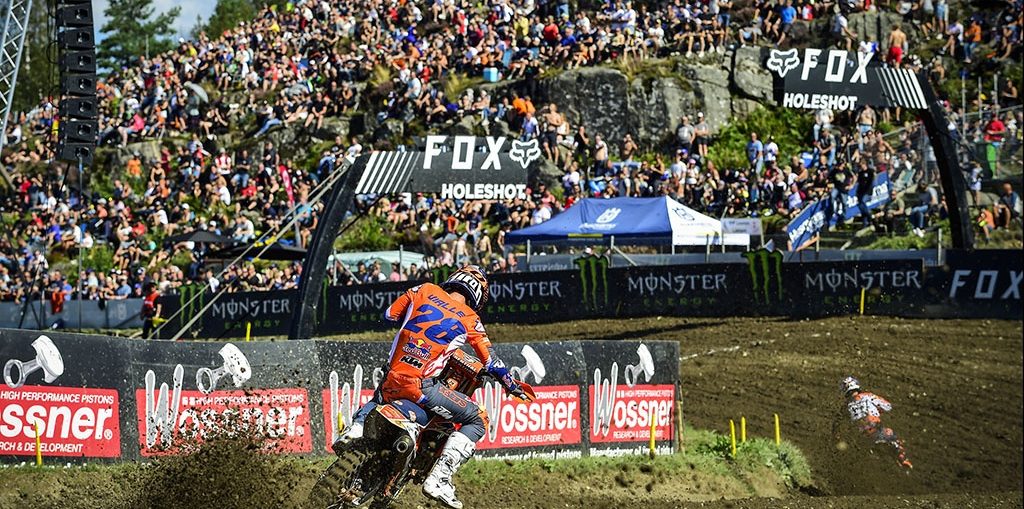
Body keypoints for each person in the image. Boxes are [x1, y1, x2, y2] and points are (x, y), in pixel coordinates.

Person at [338, 266, 524, 509]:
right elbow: (492, 362)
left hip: (393, 377)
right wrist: (511, 385)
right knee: (478, 419)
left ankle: (356, 427)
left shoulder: (424, 289)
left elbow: (389, 315)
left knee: (383, 390)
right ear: (479, 296)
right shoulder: (470, 318)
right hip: (421, 388)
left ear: (452, 279)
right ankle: (439, 479)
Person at [839, 376, 912, 469]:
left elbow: (839, 423)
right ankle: (903, 459)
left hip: (861, 437)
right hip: (876, 429)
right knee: (893, 437)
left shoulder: (845, 407)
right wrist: (877, 410)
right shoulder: (868, 396)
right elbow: (887, 406)